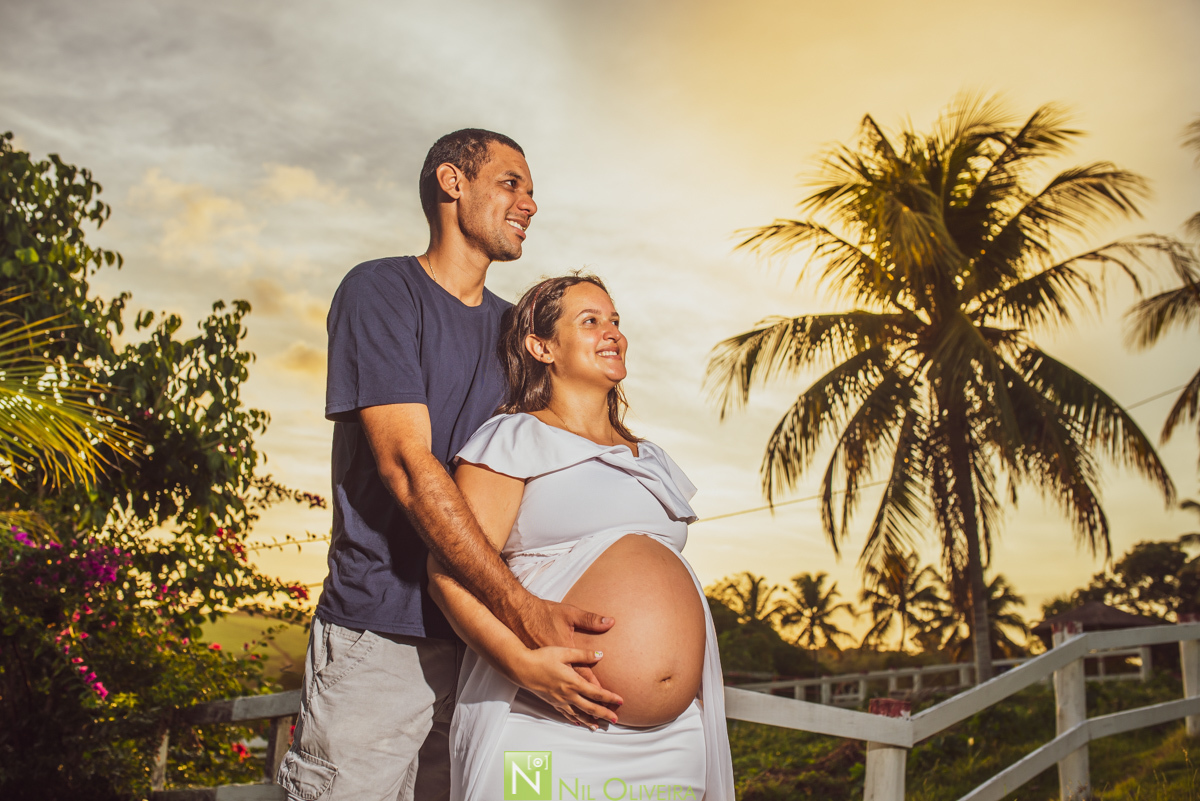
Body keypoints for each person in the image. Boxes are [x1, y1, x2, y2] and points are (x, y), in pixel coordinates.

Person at [277, 131, 621, 801]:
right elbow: (407, 465)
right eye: (511, 182)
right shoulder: (381, 290)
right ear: (451, 183)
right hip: (382, 632)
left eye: (532, 188)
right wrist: (523, 607)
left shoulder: (517, 333)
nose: (531, 202)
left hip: (481, 645)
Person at [428, 274, 736, 801]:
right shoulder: (513, 438)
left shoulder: (652, 458)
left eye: (614, 320)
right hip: (547, 720)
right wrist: (523, 666)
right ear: (542, 346)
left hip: (672, 738)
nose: (612, 332)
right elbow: (447, 575)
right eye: (590, 321)